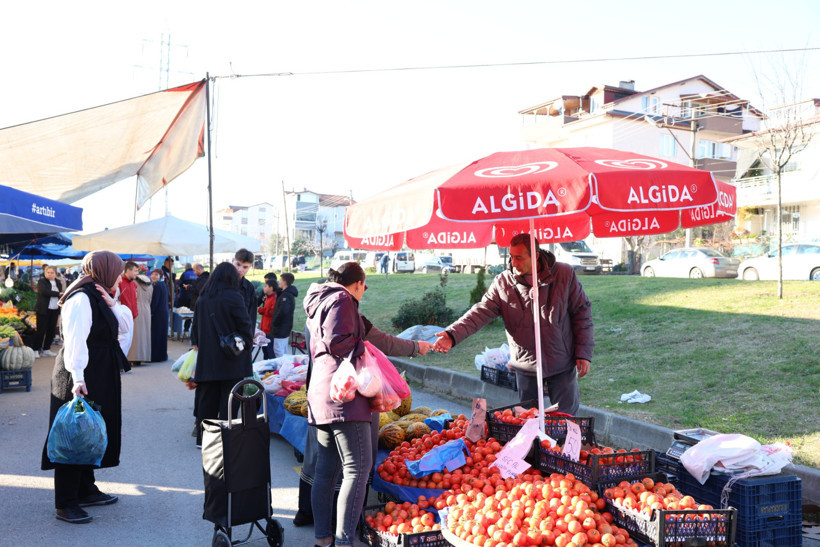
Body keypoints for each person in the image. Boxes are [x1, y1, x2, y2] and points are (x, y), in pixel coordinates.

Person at [303, 262, 429, 547]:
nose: (365, 290)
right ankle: (344, 541)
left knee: (326, 469)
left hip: (322, 394)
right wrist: (364, 348)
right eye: (365, 284)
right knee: (358, 469)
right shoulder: (342, 299)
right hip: (345, 398)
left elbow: (378, 338)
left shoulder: (322, 301)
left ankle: (323, 541)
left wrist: (415, 347)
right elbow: (340, 343)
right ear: (357, 283)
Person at [433, 233, 594, 415]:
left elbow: (582, 314)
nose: (514, 263)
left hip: (562, 362)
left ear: (535, 256)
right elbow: (480, 312)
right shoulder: (503, 282)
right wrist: (452, 334)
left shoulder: (564, 274)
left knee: (566, 420)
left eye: (519, 257)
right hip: (526, 365)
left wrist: (583, 353)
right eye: (511, 256)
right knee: (528, 423)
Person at [40, 250, 132, 524]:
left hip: (98, 369)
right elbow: (76, 339)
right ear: (103, 270)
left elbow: (125, 327)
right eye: (116, 272)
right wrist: (78, 377)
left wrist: (114, 304)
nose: (119, 277)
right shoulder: (81, 298)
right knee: (74, 434)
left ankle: (85, 488)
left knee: (90, 431)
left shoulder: (101, 294)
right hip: (80, 372)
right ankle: (66, 502)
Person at [190, 262, 254, 447]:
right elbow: (245, 325)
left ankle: (204, 439)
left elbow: (197, 327)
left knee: (207, 399)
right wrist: (247, 343)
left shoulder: (203, 297)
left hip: (207, 358)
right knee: (229, 400)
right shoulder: (233, 296)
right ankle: (226, 438)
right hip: (231, 359)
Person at [33, 265, 65, 359]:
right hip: (43, 309)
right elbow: (44, 292)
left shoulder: (58, 282)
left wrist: (61, 295)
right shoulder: (41, 281)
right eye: (48, 272)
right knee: (41, 330)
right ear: (45, 273)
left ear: (55, 273)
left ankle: (46, 349)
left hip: (54, 309)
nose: (50, 274)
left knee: (51, 331)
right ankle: (36, 349)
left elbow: (61, 293)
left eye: (52, 272)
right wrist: (58, 294)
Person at [127, 271, 153, 365]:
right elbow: (150, 299)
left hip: (135, 307)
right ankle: (142, 357)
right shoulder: (150, 284)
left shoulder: (133, 282)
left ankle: (132, 357)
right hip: (146, 309)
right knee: (144, 335)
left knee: (134, 335)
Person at [270, 272, 297, 357]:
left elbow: (283, 311)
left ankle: (282, 368)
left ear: (285, 282)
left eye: (280, 280)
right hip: (284, 327)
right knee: (283, 349)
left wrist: (275, 322)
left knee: (278, 350)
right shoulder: (284, 293)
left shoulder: (286, 295)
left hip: (281, 327)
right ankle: (285, 366)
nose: (279, 281)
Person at [149, 269, 169, 362]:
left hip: (158, 314)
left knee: (156, 335)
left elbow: (155, 302)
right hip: (163, 313)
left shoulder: (157, 286)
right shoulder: (163, 284)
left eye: (156, 275)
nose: (153, 276)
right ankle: (162, 356)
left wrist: (150, 312)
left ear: (160, 276)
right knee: (162, 335)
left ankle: (156, 357)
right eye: (152, 274)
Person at [257, 278, 277, 359]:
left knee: (269, 350)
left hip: (269, 329)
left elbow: (272, 312)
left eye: (265, 286)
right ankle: (266, 367)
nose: (264, 288)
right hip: (264, 327)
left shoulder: (274, 298)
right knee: (264, 350)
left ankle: (273, 369)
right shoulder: (267, 297)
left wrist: (260, 309)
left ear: (271, 288)